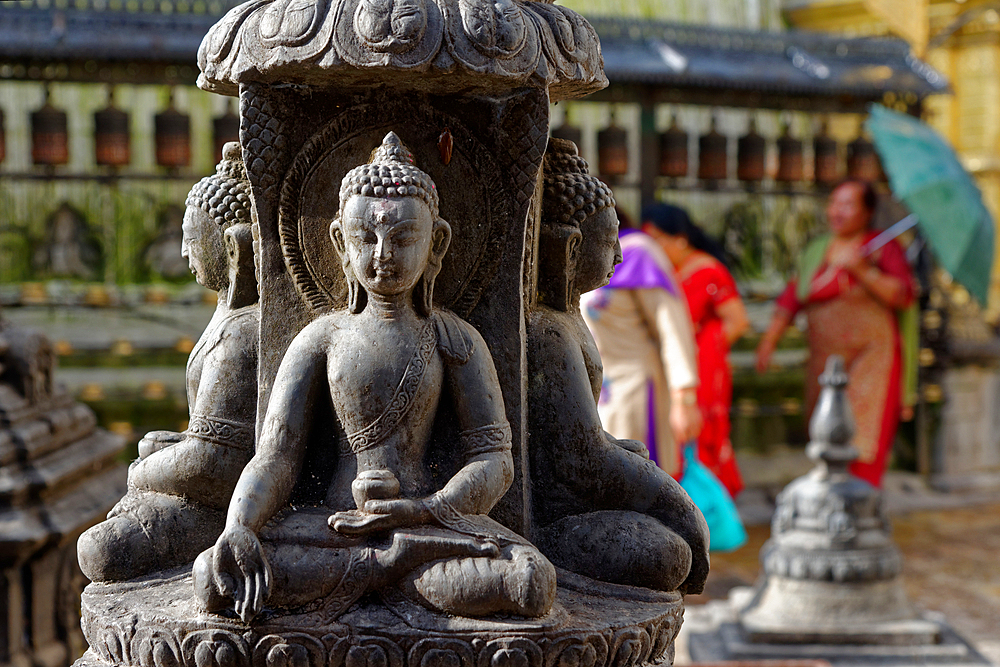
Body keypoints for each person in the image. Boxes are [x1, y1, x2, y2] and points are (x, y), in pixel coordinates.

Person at [193, 132, 556, 623]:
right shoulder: (321, 338)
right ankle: (388, 568)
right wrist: (240, 524)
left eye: (404, 238)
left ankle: (381, 566)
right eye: (366, 237)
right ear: (340, 240)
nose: (383, 253)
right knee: (212, 576)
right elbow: (276, 456)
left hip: (427, 527)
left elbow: (494, 460)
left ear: (437, 242)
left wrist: (423, 509)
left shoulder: (456, 338)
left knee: (531, 580)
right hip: (333, 526)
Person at [526, 138, 709, 595]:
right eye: (606, 243)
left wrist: (685, 392)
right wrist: (678, 508)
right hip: (605, 409)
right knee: (664, 541)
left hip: (640, 384)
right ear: (569, 247)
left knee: (649, 463)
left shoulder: (641, 252)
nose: (619, 256)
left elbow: (673, 327)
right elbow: (581, 456)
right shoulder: (552, 328)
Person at [78, 143, 260, 582]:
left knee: (97, 550)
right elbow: (207, 437)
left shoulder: (242, 336)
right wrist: (167, 449)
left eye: (192, 239)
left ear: (234, 250)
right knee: (148, 446)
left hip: (233, 504)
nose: (183, 253)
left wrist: (142, 472)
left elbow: (215, 466)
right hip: (211, 484)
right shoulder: (229, 320)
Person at [755, 180, 916, 487]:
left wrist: (861, 270)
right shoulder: (817, 249)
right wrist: (769, 340)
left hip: (872, 361)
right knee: (824, 436)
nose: (836, 211)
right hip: (825, 361)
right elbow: (793, 296)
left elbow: (902, 295)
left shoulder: (882, 247)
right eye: (833, 203)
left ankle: (860, 510)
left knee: (861, 438)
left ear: (867, 211)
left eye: (847, 204)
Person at [580, 207, 701, 476]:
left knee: (641, 480)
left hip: (636, 393)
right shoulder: (582, 258)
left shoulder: (638, 253)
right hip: (600, 398)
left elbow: (671, 325)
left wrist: (685, 398)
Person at [643, 204, 750, 499]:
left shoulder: (707, 270)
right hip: (669, 367)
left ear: (679, 239)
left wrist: (699, 348)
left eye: (658, 240)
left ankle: (708, 506)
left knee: (698, 435)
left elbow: (738, 322)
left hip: (699, 371)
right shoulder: (661, 271)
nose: (653, 248)